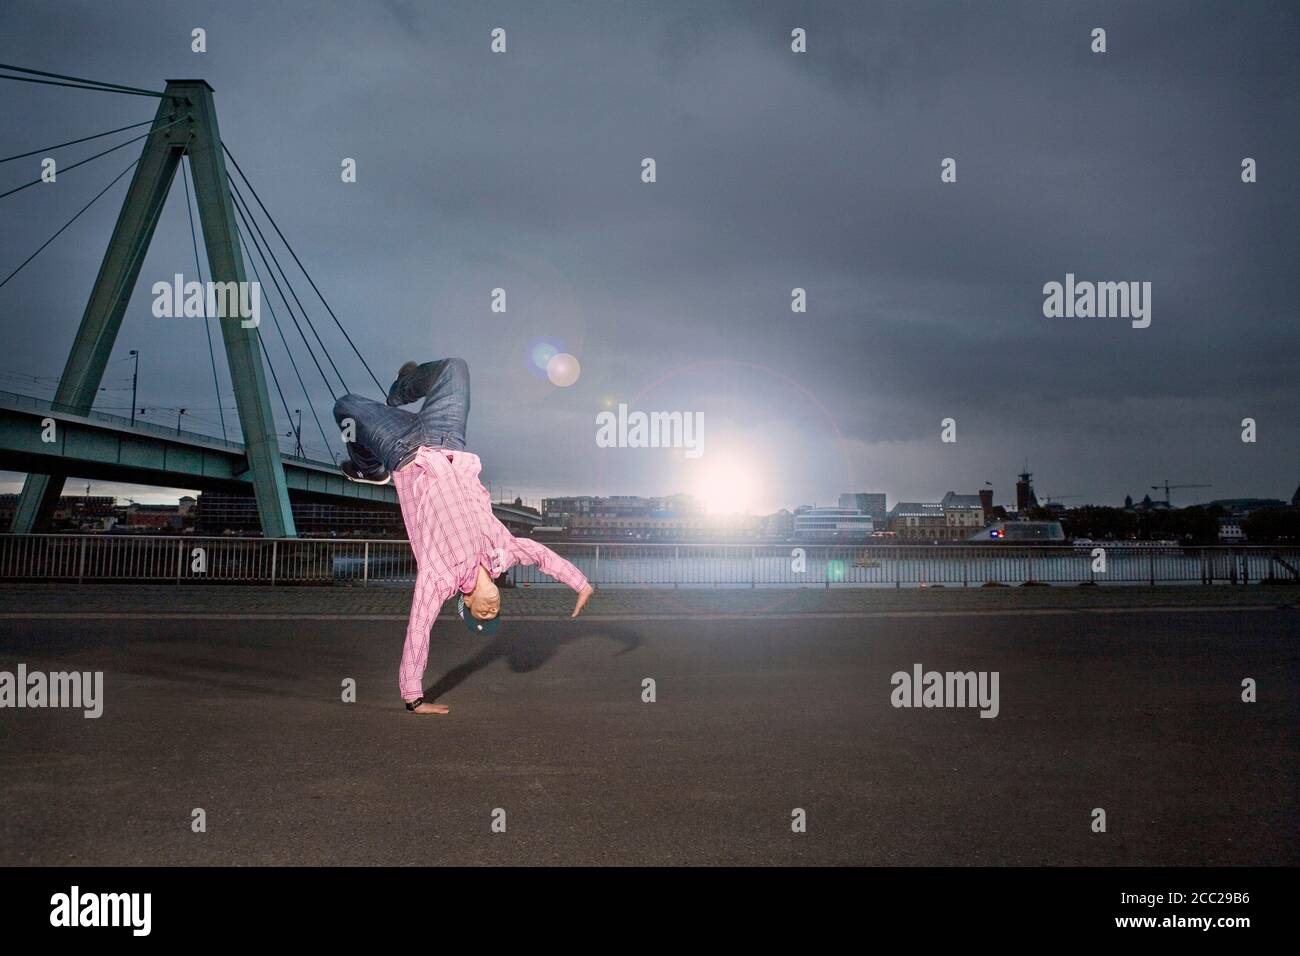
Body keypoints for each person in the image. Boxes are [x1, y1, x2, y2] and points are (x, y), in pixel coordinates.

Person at [333, 358, 594, 715]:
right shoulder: (506, 552)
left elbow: (419, 629)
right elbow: (542, 556)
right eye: (494, 613)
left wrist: (413, 698)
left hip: (403, 452)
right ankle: (404, 385)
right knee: (455, 368)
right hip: (447, 438)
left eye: (480, 616)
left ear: (464, 605)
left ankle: (371, 468)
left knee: (345, 407)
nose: (489, 611)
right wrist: (580, 584)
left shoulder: (439, 578)